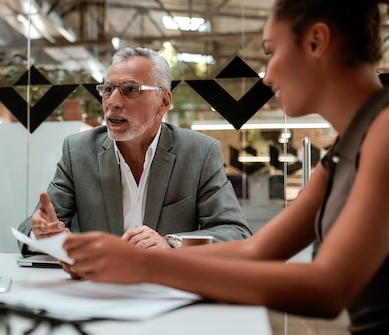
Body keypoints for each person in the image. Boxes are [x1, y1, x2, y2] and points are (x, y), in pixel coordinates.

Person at [63, 0, 389, 335]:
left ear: (316, 41)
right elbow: (256, 251)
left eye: (271, 52)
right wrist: (136, 260)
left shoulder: (384, 132)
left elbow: (327, 287)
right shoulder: (350, 143)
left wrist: (148, 264)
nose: (267, 75)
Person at [17, 46, 251, 255]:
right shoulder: (78, 152)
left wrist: (171, 243)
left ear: (164, 102)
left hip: (167, 288)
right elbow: (31, 227)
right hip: (100, 288)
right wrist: (41, 234)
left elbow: (235, 232)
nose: (112, 102)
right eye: (108, 89)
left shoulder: (199, 153)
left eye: (130, 90)